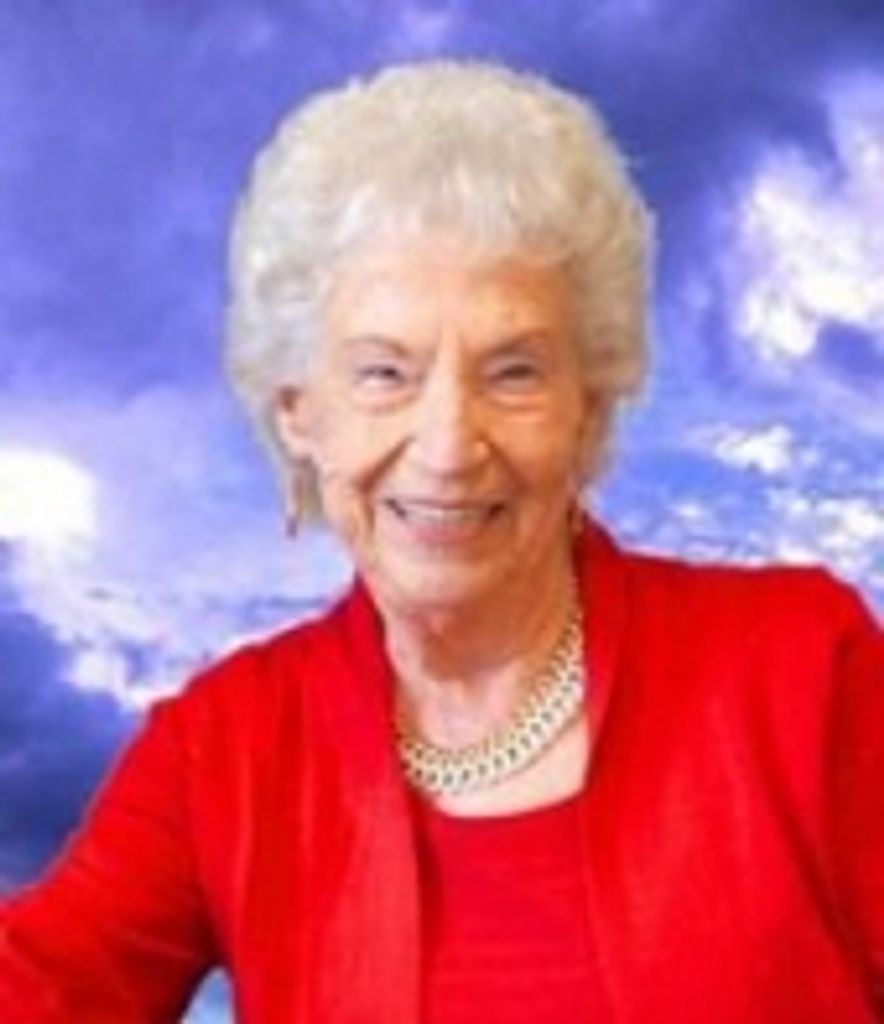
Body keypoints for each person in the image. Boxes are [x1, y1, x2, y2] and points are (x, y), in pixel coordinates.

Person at [1, 60, 882, 1024]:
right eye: (385, 373)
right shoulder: (225, 749)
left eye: (514, 372)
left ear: (589, 411)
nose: (450, 447)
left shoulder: (802, 668)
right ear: (299, 413)